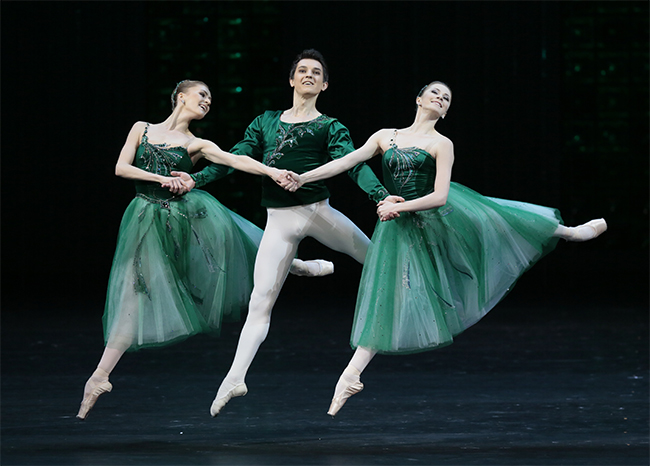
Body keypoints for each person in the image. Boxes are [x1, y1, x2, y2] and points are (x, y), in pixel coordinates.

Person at [281, 81, 608, 417]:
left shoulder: (442, 143)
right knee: (387, 295)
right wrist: (303, 178)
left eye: (446, 98)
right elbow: (345, 162)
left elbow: (439, 195)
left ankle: (568, 232)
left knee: (498, 219)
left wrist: (398, 207)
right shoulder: (385, 136)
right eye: (435, 93)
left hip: (438, 215)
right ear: (419, 99)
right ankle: (350, 375)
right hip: (398, 226)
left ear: (446, 111)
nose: (439, 98)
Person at [76, 80, 334, 420]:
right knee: (131, 296)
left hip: (186, 216)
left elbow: (236, 160)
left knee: (238, 241)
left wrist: (271, 170)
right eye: (202, 95)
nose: (207, 102)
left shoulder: (197, 143)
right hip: (145, 217)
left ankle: (295, 264)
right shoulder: (142, 128)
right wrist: (162, 180)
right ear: (180, 96)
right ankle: (99, 377)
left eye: (210, 99)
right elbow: (121, 168)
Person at [170, 49, 402, 417]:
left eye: (316, 72)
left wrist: (379, 196)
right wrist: (195, 179)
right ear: (291, 80)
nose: (308, 75)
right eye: (302, 70)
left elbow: (353, 166)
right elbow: (233, 160)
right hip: (278, 221)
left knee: (379, 258)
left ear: (324, 85)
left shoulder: (331, 126)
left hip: (319, 213)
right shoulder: (265, 122)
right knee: (260, 302)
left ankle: (399, 300)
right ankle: (235, 377)